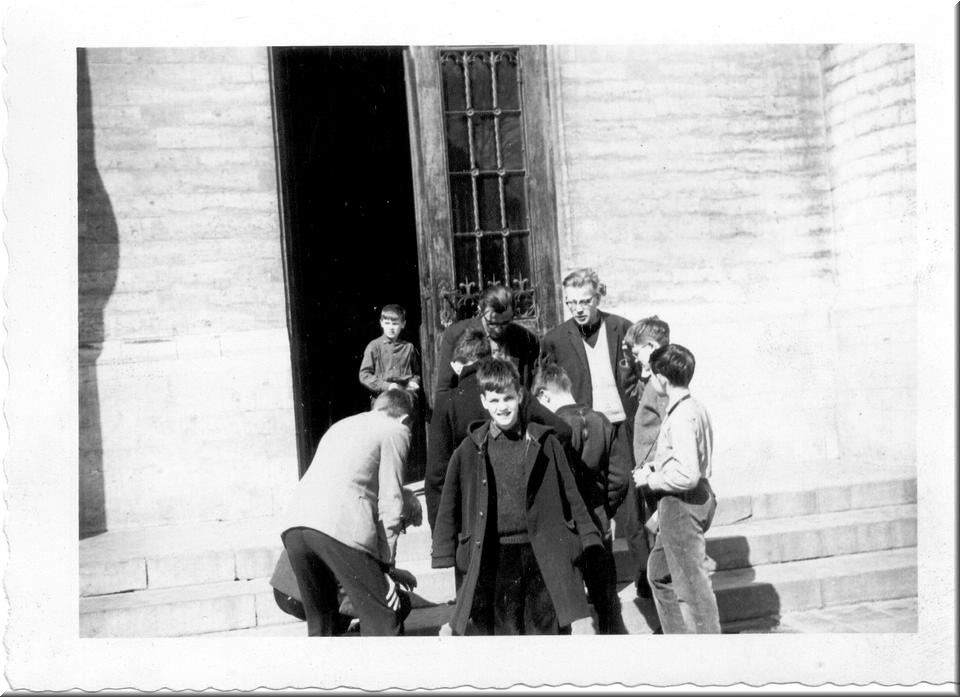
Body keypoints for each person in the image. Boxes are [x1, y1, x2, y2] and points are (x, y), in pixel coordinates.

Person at [431, 358, 601, 635]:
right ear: (484, 402)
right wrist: (443, 550)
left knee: (544, 631)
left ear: (520, 396)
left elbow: (571, 493)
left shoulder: (545, 442)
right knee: (505, 633)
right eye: (495, 400)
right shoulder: (470, 449)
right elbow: (449, 501)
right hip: (496, 556)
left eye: (508, 398)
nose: (502, 407)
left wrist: (589, 537)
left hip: (542, 553)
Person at [279, 389, 417, 636]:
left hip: (295, 525)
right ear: (405, 418)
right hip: (339, 527)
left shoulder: (342, 426)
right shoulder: (395, 429)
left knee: (323, 625)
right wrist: (385, 565)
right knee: (385, 616)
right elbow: (391, 501)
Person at [539, 269, 639, 584]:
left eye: (585, 301)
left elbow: (640, 375)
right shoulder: (555, 339)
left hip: (622, 429)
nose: (578, 309)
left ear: (598, 297)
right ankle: (600, 582)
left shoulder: (622, 328)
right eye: (571, 303)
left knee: (632, 504)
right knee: (591, 503)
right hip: (586, 431)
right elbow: (546, 386)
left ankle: (645, 578)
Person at [426, 328, 574, 532]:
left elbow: (436, 478)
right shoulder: (515, 395)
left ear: (457, 365)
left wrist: (440, 533)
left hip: (471, 518)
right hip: (520, 512)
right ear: (489, 357)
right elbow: (563, 432)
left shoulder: (447, 403)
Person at [533, 364, 627, 634]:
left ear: (544, 395)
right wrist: (605, 508)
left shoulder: (554, 428)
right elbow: (620, 478)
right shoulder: (602, 421)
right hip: (598, 518)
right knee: (606, 598)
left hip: (568, 524)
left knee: (568, 603)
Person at [633, 344, 720, 634]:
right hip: (690, 499)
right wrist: (656, 468)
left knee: (693, 588)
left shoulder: (681, 415)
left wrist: (651, 480)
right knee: (659, 575)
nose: (651, 380)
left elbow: (687, 475)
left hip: (682, 503)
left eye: (652, 375)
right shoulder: (694, 406)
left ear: (662, 379)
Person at [622, 315, 672, 599]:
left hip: (657, 470)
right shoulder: (653, 377)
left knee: (663, 532)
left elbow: (668, 428)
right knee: (656, 528)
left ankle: (665, 589)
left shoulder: (664, 381)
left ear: (651, 347)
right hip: (649, 471)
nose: (633, 356)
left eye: (637, 351)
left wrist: (654, 467)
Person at [434, 284, 540, 395]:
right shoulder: (455, 334)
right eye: (492, 323)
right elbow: (443, 390)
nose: (499, 329)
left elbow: (528, 389)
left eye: (505, 322)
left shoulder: (526, 338)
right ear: (480, 311)